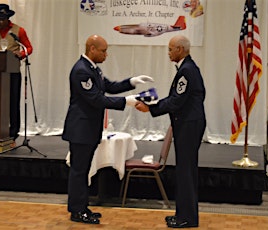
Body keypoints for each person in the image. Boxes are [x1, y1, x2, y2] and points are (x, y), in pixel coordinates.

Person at [62, 34, 153, 224]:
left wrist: (131, 82)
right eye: (103, 51)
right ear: (92, 49)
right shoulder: (81, 71)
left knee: (83, 170)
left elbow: (109, 87)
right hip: (81, 129)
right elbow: (96, 99)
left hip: (88, 128)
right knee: (79, 171)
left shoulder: (93, 69)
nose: (106, 54)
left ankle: (82, 207)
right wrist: (126, 102)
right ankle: (77, 211)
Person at [135, 35, 206, 228]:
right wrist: (154, 104)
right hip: (188, 124)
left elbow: (176, 101)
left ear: (180, 50)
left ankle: (187, 218)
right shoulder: (187, 68)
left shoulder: (187, 71)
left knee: (186, 172)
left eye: (171, 49)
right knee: (184, 171)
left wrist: (151, 108)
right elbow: (177, 98)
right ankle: (182, 214)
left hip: (189, 126)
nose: (168, 52)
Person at [0, 4, 33, 146]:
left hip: (12, 73)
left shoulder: (18, 31)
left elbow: (29, 47)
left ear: (8, 19)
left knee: (12, 102)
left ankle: (13, 132)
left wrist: (21, 54)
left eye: (1, 19)